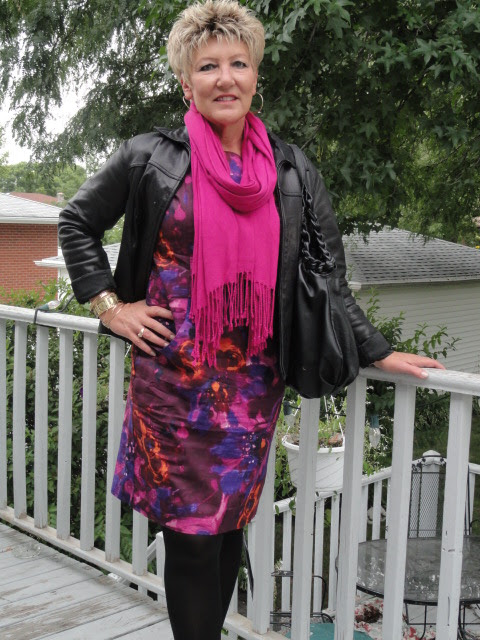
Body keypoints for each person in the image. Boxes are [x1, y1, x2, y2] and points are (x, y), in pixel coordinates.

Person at [58, 1, 445, 638]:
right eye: (208, 66)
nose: (225, 78)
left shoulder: (290, 170)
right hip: (172, 385)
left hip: (251, 387)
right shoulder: (150, 157)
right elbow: (77, 222)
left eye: (238, 63)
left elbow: (327, 275)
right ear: (186, 81)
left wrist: (377, 349)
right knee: (190, 539)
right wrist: (110, 307)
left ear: (255, 75)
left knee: (229, 526)